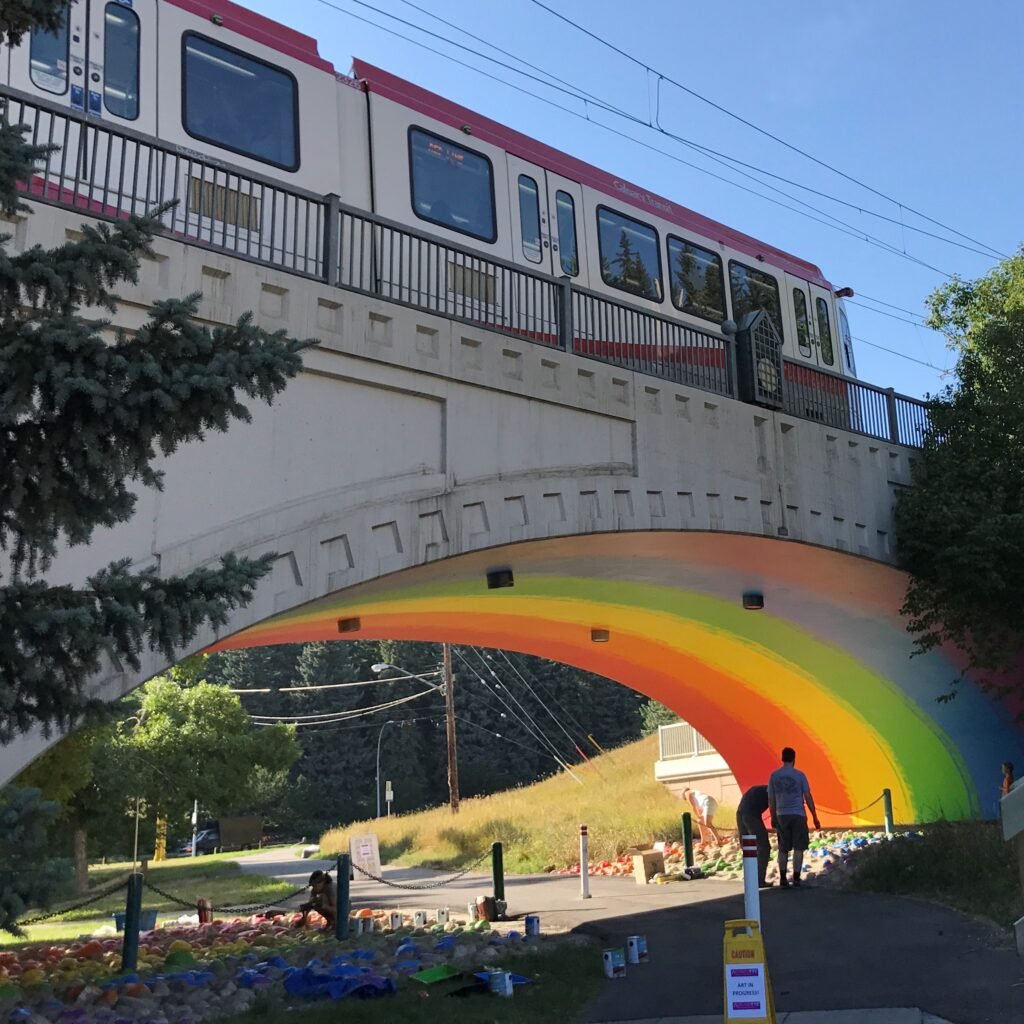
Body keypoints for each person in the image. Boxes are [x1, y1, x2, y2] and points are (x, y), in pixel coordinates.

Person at [768, 747, 821, 889]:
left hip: (781, 814)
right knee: (798, 847)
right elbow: (808, 796)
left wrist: (773, 817)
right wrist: (815, 816)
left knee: (783, 848)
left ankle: (783, 878)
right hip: (798, 814)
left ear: (782, 758)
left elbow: (771, 799)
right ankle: (796, 878)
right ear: (794, 759)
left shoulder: (774, 776)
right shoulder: (800, 775)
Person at [736, 784, 772, 889]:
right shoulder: (774, 792)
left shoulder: (759, 789)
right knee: (764, 847)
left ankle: (750, 878)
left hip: (740, 813)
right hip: (751, 815)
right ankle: (759, 880)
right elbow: (774, 807)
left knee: (747, 847)